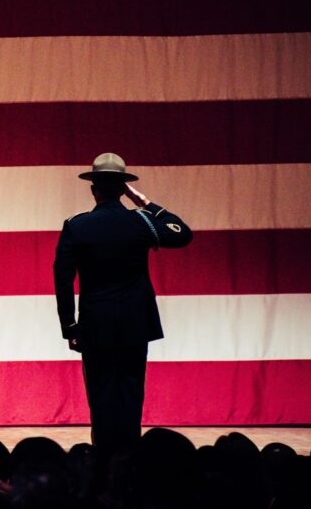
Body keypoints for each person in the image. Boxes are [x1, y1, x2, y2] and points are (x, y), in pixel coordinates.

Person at [53, 153, 192, 464]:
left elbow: (62, 279)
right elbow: (182, 234)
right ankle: (130, 461)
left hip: (95, 325)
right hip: (133, 323)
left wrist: (69, 327)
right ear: (123, 189)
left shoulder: (78, 226)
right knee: (130, 392)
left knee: (101, 395)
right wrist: (146, 203)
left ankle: (104, 460)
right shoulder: (140, 222)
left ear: (94, 189)